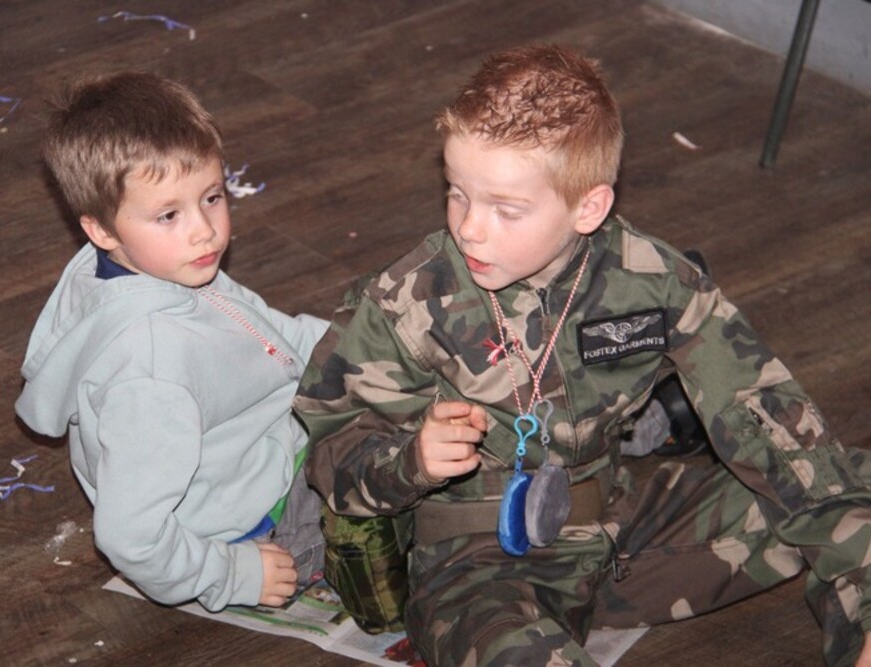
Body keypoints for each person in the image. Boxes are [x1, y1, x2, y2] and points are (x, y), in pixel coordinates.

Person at [293, 44, 871, 666]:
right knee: (510, 650)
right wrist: (413, 461)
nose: (470, 228)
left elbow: (771, 423)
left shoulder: (653, 283)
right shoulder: (405, 302)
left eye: (506, 209)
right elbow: (330, 458)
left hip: (623, 534)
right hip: (478, 569)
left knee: (842, 483)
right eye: (458, 193)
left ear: (588, 207)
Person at [15, 72, 327, 612]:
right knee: (421, 506)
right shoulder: (152, 371)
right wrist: (232, 575)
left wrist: (357, 343)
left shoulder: (161, 267)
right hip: (257, 521)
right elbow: (130, 537)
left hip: (262, 450)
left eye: (212, 197)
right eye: (169, 215)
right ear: (102, 231)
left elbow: (263, 332)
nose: (203, 229)